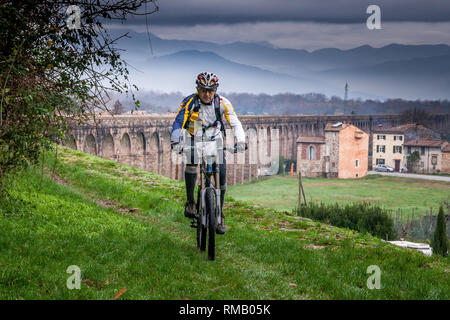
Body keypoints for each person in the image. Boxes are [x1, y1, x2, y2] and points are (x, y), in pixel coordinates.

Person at [170, 72, 246, 234]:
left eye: (210, 91)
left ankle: (219, 213)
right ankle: (190, 202)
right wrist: (175, 140)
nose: (207, 94)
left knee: (222, 173)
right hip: (194, 137)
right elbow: (178, 121)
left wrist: (240, 141)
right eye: (203, 90)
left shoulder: (222, 102)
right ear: (198, 89)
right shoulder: (189, 101)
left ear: (215, 90)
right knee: (191, 161)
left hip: (214, 140)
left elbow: (235, 122)